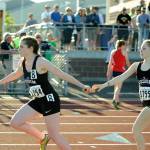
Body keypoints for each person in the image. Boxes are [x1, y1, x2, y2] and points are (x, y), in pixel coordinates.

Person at [0, 36, 90, 150]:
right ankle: (43, 137)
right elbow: (16, 74)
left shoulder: (41, 62)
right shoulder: (23, 62)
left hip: (49, 100)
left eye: (22, 47)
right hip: (37, 100)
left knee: (55, 135)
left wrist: (82, 86)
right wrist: (1, 82)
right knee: (15, 122)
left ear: (31, 48)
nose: (18, 49)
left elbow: (61, 74)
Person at [92, 39, 150, 150]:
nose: (140, 50)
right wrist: (103, 85)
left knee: (136, 129)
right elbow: (120, 77)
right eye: (140, 48)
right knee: (137, 130)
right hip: (146, 104)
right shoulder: (136, 66)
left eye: (144, 48)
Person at [106, 40, 130, 109]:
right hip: (121, 71)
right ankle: (114, 99)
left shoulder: (113, 52)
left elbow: (110, 64)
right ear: (121, 45)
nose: (125, 46)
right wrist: (131, 69)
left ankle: (117, 100)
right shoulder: (124, 52)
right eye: (124, 45)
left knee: (116, 86)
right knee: (118, 87)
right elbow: (127, 62)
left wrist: (108, 73)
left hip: (114, 71)